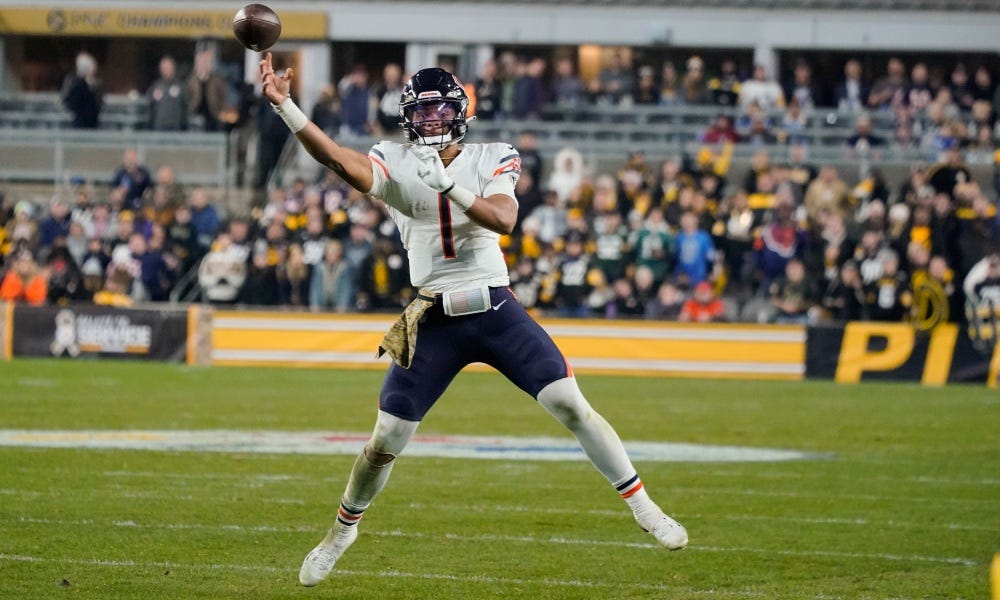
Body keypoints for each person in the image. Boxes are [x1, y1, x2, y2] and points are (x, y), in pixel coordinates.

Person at [258, 53, 688, 588]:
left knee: (571, 404)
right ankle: (341, 532)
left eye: (440, 108)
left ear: (460, 111)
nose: (431, 119)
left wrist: (451, 187)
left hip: (495, 309)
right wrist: (285, 107)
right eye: (422, 110)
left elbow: (505, 219)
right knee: (384, 439)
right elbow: (337, 159)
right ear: (407, 116)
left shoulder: (493, 155)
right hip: (432, 315)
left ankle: (645, 507)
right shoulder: (393, 160)